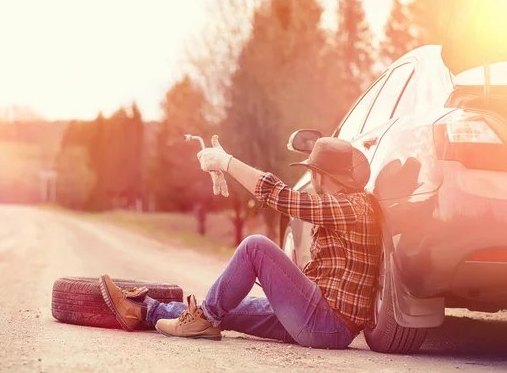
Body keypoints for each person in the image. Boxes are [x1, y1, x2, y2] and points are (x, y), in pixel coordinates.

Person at [99, 135, 382, 349]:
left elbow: (281, 197)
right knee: (227, 307)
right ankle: (145, 310)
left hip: (326, 324)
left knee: (255, 247)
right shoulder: (350, 206)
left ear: (320, 175)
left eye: (312, 172)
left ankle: (204, 318)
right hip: (319, 318)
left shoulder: (353, 208)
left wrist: (227, 163)